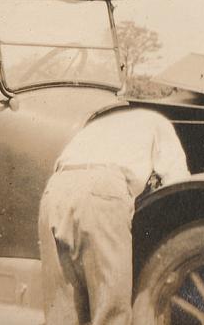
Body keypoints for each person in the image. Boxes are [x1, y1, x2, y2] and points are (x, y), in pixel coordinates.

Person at [38, 108, 190, 325]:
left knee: (61, 313)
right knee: (110, 312)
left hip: (55, 190)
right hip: (102, 188)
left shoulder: (97, 125)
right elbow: (178, 185)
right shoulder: (158, 123)